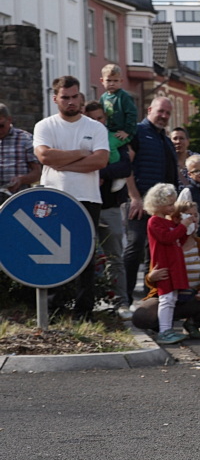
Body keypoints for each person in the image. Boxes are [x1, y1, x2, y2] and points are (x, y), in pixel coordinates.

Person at [32, 76, 109, 318]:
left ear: (80, 97)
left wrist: (63, 163)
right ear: (55, 98)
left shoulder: (95, 127)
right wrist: (79, 154)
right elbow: (44, 157)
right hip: (53, 197)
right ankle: (53, 309)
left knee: (84, 254)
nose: (71, 101)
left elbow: (100, 160)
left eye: (75, 96)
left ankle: (83, 311)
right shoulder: (45, 126)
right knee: (50, 253)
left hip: (87, 197)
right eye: (65, 97)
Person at [131, 199, 200, 339]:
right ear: (176, 219)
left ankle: (192, 324)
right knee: (141, 316)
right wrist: (151, 277)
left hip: (192, 298)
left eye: (195, 215)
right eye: (188, 216)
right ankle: (162, 328)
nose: (193, 219)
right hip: (166, 297)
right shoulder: (167, 244)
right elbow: (152, 275)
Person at [124, 96, 178, 308]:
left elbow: (170, 176)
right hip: (139, 203)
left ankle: (151, 300)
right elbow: (126, 166)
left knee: (154, 253)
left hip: (160, 208)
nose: (164, 116)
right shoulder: (137, 132)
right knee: (135, 245)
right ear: (149, 110)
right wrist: (134, 197)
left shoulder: (165, 140)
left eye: (167, 113)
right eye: (160, 111)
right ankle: (124, 299)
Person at [85, 101, 133, 319]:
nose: (98, 122)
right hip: (84, 205)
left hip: (110, 206)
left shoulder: (115, 138)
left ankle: (120, 302)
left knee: (115, 256)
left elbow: (125, 167)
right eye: (93, 119)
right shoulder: (82, 139)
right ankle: (90, 302)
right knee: (85, 257)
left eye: (100, 118)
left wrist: (99, 170)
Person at [142, 183, 191, 345]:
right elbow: (167, 238)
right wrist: (182, 226)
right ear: (158, 204)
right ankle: (164, 331)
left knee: (171, 298)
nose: (173, 207)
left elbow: (178, 240)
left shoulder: (168, 222)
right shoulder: (154, 221)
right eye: (170, 204)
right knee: (167, 299)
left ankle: (167, 329)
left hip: (173, 265)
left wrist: (186, 228)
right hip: (164, 265)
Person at [99, 64, 137, 173]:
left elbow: (132, 114)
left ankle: (116, 170)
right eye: (109, 80)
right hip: (110, 130)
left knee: (110, 145)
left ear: (121, 81)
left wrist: (127, 131)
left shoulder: (124, 96)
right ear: (102, 80)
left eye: (115, 81)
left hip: (123, 131)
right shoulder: (103, 97)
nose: (112, 84)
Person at [0, 103, 41, 198]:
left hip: (17, 198)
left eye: (1, 126)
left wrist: (21, 179)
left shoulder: (25, 139)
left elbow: (37, 173)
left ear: (9, 120)